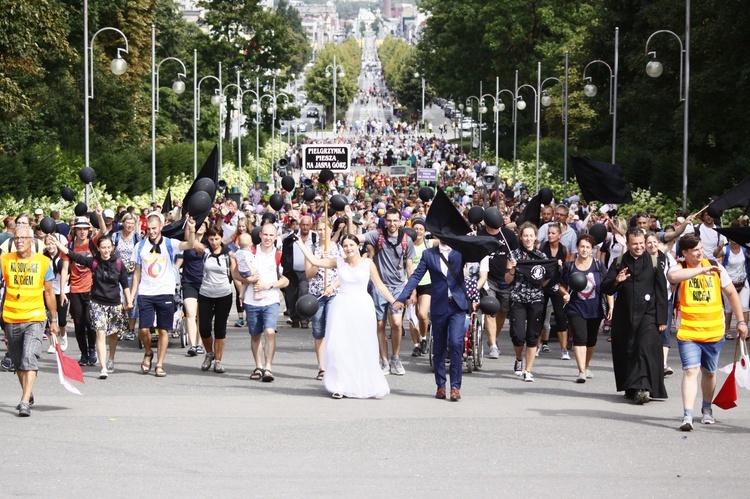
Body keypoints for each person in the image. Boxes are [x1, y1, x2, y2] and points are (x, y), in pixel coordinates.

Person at [295, 234, 393, 399]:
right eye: (345, 245)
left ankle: (363, 383)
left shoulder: (368, 264)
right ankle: (339, 385)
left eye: (351, 245)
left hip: (362, 306)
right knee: (339, 346)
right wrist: (300, 244)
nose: (348, 248)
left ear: (357, 246)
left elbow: (380, 285)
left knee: (362, 345)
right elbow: (315, 261)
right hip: (342, 306)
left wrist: (394, 301)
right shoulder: (338, 262)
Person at [667, 233, 748, 431]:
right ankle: (688, 415)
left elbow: (731, 294)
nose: (700, 253)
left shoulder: (716, 268)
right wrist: (701, 270)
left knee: (709, 373)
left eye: (701, 249)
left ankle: (706, 409)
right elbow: (672, 277)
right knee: (690, 371)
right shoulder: (680, 268)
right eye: (695, 250)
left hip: (714, 332)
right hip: (688, 332)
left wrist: (741, 321)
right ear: (684, 252)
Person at [393, 238, 471, 401]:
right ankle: (441, 385)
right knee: (439, 346)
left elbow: (477, 254)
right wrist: (401, 298)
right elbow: (415, 277)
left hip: (457, 305)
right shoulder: (429, 255)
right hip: (439, 306)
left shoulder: (460, 252)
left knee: (456, 343)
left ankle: (455, 386)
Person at [601, 228, 668, 404]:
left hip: (649, 314)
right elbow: (605, 287)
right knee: (628, 350)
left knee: (644, 348)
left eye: (641, 243)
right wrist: (616, 281)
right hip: (625, 315)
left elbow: (661, 292)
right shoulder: (619, 262)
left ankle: (643, 387)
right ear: (628, 244)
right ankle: (631, 388)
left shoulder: (654, 262)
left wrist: (662, 319)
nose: (638, 247)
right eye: (634, 244)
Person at [51, 234, 131, 379]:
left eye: (108, 247)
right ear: (98, 249)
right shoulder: (93, 262)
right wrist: (58, 243)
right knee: (100, 333)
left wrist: (129, 300)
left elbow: (124, 283)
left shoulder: (118, 263)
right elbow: (73, 255)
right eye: (103, 248)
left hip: (114, 304)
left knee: (113, 335)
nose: (106, 251)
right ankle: (104, 367)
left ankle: (111, 358)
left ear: (112, 248)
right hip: (98, 303)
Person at [350, 207, 415, 376]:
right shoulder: (376, 235)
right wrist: (350, 220)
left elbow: (409, 266)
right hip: (379, 286)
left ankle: (396, 357)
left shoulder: (406, 240)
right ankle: (384, 360)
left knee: (397, 324)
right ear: (385, 221)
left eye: (395, 220)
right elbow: (354, 239)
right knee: (379, 324)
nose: (392, 224)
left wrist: (412, 290)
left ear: (400, 221)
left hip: (398, 286)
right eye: (389, 220)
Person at [130, 212, 195, 378]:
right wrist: (131, 295)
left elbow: (189, 245)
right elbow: (137, 273)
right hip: (145, 292)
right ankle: (148, 352)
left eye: (154, 228)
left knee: (163, 330)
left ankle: (159, 364)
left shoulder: (169, 243)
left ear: (161, 227)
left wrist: (192, 230)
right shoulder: (139, 246)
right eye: (149, 228)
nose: (151, 231)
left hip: (165, 291)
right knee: (144, 329)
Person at [1, 226, 58, 417]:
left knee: (28, 357)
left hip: (35, 317)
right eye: (16, 238)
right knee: (18, 362)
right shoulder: (5, 260)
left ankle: (24, 400)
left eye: (22, 238)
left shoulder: (43, 262)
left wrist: (54, 320)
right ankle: (28, 391)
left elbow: (49, 293)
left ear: (32, 240)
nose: (18, 241)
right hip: (11, 317)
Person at [233, 223, 289, 382]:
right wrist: (248, 279)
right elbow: (235, 273)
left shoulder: (279, 255)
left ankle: (268, 367)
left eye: (271, 235)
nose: (268, 238)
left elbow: (285, 281)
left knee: (270, 332)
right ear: (260, 235)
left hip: (271, 300)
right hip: (252, 301)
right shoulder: (251, 251)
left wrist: (268, 286)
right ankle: (258, 366)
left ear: (276, 236)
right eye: (265, 235)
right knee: (255, 335)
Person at [560, 234, 612, 382]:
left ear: (592, 249)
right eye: (582, 246)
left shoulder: (598, 265)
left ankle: (587, 364)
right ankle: (581, 370)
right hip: (575, 308)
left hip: (595, 308)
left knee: (591, 340)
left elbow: (607, 286)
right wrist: (565, 294)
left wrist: (611, 307)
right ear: (577, 247)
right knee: (580, 338)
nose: (584, 250)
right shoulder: (569, 266)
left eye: (588, 247)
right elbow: (561, 286)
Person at [505, 222, 550, 382]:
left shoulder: (542, 257)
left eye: (531, 235)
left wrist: (553, 270)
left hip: (536, 298)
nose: (528, 238)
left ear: (535, 237)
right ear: (521, 237)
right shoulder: (514, 255)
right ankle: (518, 358)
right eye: (525, 235)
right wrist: (512, 268)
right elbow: (508, 280)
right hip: (518, 298)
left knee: (533, 335)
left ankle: (528, 370)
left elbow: (545, 282)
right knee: (518, 335)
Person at [305, 218, 342, 381]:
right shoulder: (311, 249)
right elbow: (308, 274)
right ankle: (322, 367)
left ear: (329, 230)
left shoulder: (339, 248)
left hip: (333, 293)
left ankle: (335, 365)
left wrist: (332, 286)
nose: (321, 232)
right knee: (319, 332)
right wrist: (319, 260)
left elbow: (344, 272)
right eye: (319, 230)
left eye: (324, 229)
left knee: (333, 330)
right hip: (316, 294)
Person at [476, 217, 518, 359]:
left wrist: (513, 265)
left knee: (502, 312)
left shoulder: (509, 235)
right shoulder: (480, 235)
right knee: (490, 310)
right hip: (488, 279)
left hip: (506, 280)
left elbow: (515, 254)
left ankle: (493, 337)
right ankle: (493, 345)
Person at [196, 226, 236, 374]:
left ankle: (218, 361)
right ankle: (209, 353)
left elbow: (235, 274)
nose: (214, 242)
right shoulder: (205, 252)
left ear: (221, 238)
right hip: (206, 293)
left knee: (220, 329)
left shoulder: (228, 255)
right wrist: (193, 226)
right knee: (204, 328)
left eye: (217, 239)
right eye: (211, 239)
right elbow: (191, 242)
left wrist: (241, 293)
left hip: (224, 294)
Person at [65, 216, 96, 366]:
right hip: (75, 289)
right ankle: (83, 353)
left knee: (90, 322)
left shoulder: (93, 243)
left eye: (85, 229)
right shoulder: (69, 246)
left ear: (89, 230)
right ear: (75, 230)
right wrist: (64, 289)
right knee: (78, 323)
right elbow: (65, 268)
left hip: (91, 288)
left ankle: (92, 350)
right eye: (79, 229)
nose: (82, 232)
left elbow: (103, 231)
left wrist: (99, 214)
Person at [175, 220, 207, 357]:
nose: (200, 227)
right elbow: (190, 242)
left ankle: (200, 344)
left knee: (202, 315)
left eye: (203, 225)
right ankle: (193, 345)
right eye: (198, 225)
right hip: (189, 282)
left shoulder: (208, 244)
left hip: (205, 282)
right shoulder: (187, 244)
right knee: (190, 312)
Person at [713, 222, 749, 340]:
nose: (734, 241)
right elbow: (715, 254)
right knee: (729, 308)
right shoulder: (726, 249)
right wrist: (719, 246)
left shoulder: (744, 249)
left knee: (745, 307)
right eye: (732, 238)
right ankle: (727, 330)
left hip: (743, 282)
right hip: (729, 283)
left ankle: (745, 330)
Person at [538, 222, 569, 360]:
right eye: (549, 233)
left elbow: (566, 271)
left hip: (557, 286)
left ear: (559, 235)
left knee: (560, 317)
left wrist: (561, 267)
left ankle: (564, 350)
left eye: (553, 233)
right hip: (543, 285)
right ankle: (537, 346)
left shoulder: (564, 250)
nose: (550, 235)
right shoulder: (541, 248)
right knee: (539, 316)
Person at [281, 215, 317, 328]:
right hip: (292, 272)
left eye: (307, 225)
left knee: (303, 293)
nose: (305, 227)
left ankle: (305, 319)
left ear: (311, 225)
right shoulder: (292, 236)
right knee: (291, 296)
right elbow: (284, 249)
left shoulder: (315, 238)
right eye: (303, 225)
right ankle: (294, 319)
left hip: (306, 272)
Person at [110, 212, 140, 340]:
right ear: (123, 223)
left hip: (132, 273)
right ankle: (121, 327)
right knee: (118, 301)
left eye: (132, 223)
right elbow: (110, 252)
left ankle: (131, 330)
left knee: (131, 300)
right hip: (117, 272)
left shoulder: (137, 238)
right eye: (128, 223)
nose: (130, 226)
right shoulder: (115, 236)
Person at [407, 219, 434, 357]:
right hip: (410, 284)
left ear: (425, 231)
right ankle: (416, 345)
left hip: (426, 283)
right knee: (412, 316)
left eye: (420, 229)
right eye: (415, 228)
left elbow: (444, 241)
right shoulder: (407, 245)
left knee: (422, 315)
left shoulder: (428, 244)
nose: (418, 231)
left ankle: (424, 338)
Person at [43, 236, 69, 354]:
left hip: (62, 291)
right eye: (48, 244)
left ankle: (63, 336)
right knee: (51, 318)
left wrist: (63, 286)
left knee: (62, 320)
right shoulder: (43, 258)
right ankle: (53, 343)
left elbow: (68, 272)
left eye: (52, 243)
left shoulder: (62, 256)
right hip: (49, 291)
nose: (50, 246)